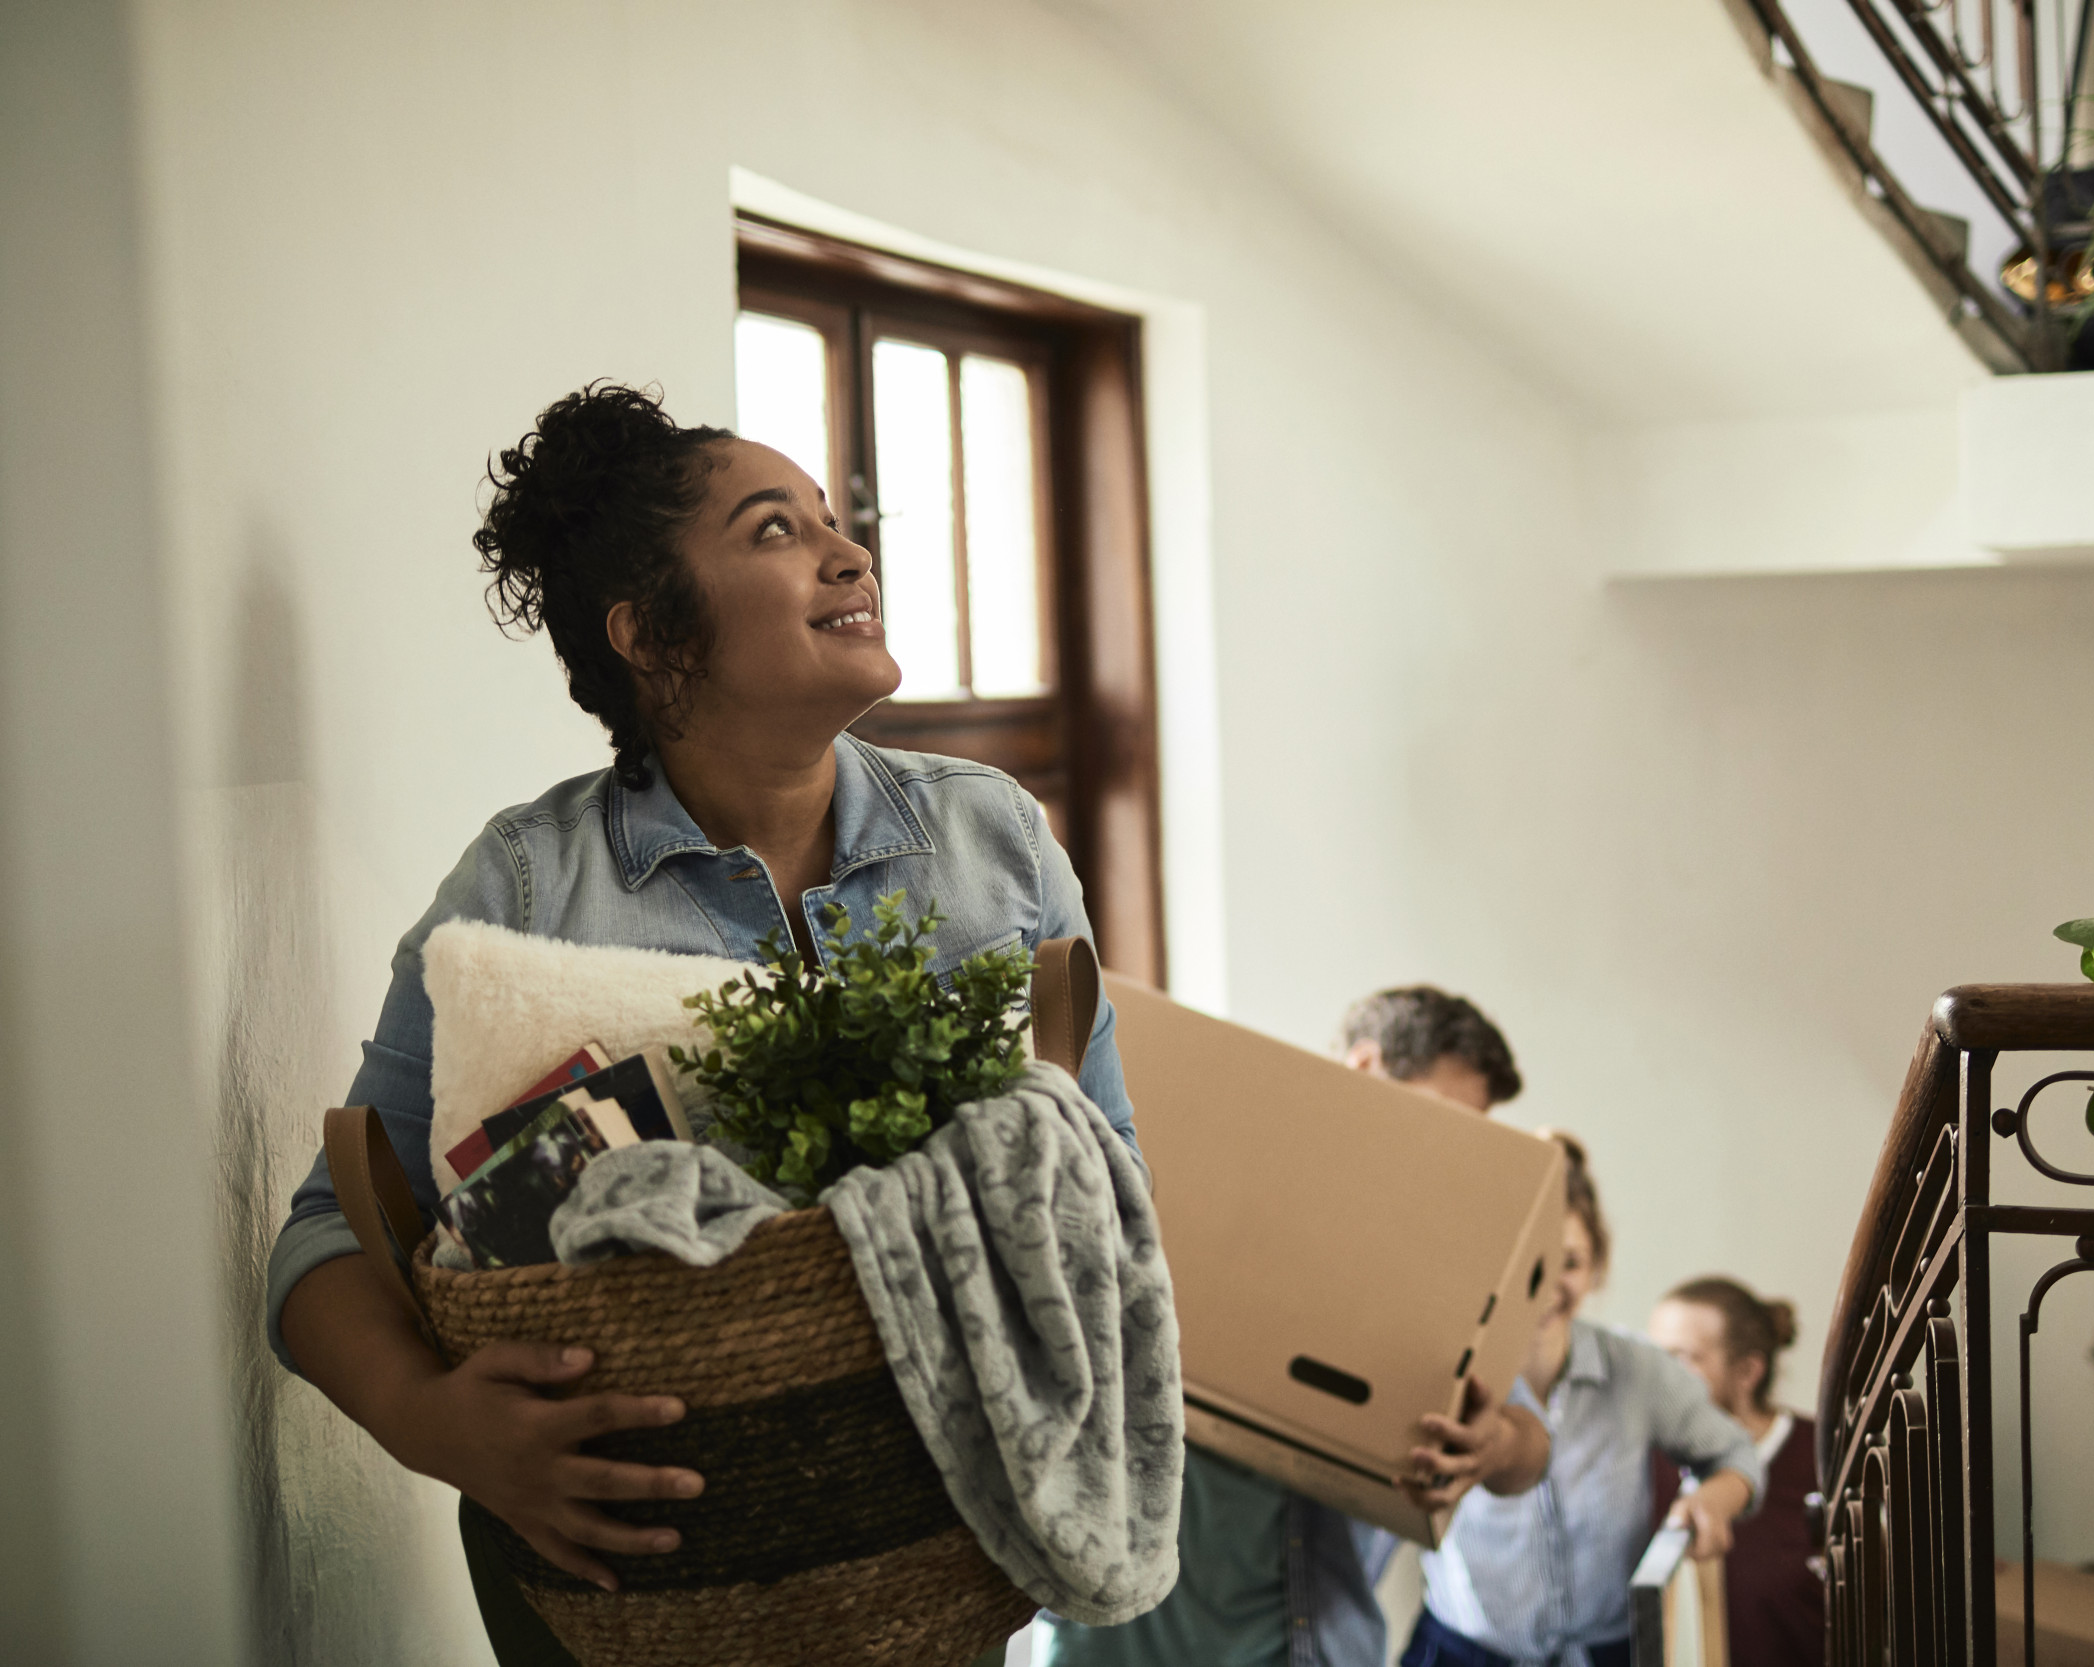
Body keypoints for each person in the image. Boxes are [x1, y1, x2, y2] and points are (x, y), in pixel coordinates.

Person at [263, 384, 1145, 1664]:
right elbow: (327, 1235)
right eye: (775, 530)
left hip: (920, 1558)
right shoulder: (525, 889)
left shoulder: (992, 839)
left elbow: (1107, 1176)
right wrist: (433, 1419)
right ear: (651, 635)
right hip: (620, 1580)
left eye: (836, 522)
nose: (851, 554)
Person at [1040, 986, 1549, 1667]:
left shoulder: (1430, 1273)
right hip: (1112, 1644)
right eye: (1450, 1123)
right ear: (1366, 1068)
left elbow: (1530, 1444)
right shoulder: (1194, 1151)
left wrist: (1496, 1444)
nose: (1461, 1157)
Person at [1408, 1136, 1763, 1667]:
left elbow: (1738, 1454)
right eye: (1531, 1262)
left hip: (1610, 1651)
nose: (1549, 1285)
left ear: (1597, 1265)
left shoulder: (1638, 1369)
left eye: (1569, 1262)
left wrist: (1713, 1500)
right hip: (1464, 1649)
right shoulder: (1441, 1366)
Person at [1649, 1278, 1824, 1667]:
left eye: (1682, 1358)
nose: (1657, 1380)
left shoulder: (1825, 1461)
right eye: (1652, 1358)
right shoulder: (1644, 1460)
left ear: (1747, 1371)